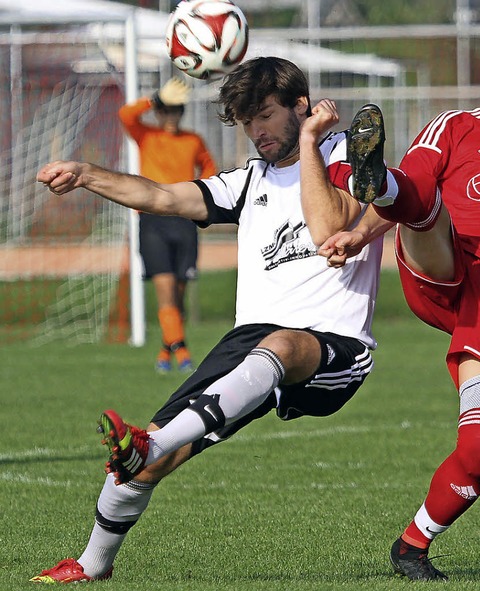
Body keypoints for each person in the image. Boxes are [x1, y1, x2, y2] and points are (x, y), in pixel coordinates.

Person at [30, 57, 383, 583]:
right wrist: (87, 174)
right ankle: (91, 564)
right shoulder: (248, 181)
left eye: (265, 115)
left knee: (280, 348)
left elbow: (329, 223)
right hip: (249, 346)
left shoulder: (351, 161)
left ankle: (157, 440)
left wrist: (310, 141)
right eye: (248, 121)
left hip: (332, 348)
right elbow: (160, 195)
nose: (257, 131)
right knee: (136, 467)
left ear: (301, 106)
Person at [320, 13, 480, 581]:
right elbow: (417, 190)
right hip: (439, 268)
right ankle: (364, 172)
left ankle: (412, 545)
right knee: (424, 205)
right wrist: (361, 230)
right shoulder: (455, 126)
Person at [118, 77, 217, 373]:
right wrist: (154, 98)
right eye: (167, 111)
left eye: (177, 111)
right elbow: (126, 114)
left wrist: (202, 196)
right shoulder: (146, 135)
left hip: (184, 221)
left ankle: (166, 349)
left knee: (180, 294)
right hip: (153, 222)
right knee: (165, 289)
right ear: (159, 113)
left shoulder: (192, 140)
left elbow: (210, 169)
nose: (172, 117)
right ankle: (183, 352)